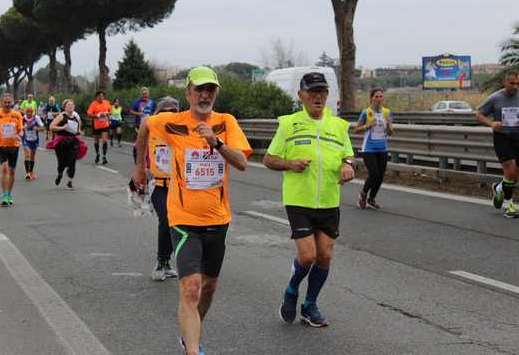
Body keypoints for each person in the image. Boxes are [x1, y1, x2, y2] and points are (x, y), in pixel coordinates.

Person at [133, 66, 251, 355]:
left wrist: (215, 141)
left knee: (208, 287)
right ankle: (193, 349)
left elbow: (242, 162)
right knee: (191, 287)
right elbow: (146, 125)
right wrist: (139, 168)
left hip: (218, 217)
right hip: (183, 218)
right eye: (199, 89)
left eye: (210, 89)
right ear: (188, 92)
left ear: (216, 94)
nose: (204, 94)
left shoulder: (226, 122)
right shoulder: (172, 122)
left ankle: (191, 330)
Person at [263, 72, 355, 328]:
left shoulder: (338, 126)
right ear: (300, 95)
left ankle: (310, 305)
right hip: (299, 200)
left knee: (324, 255)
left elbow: (348, 156)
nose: (318, 96)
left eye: (322, 92)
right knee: (307, 256)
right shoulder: (289, 124)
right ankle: (291, 290)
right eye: (312, 92)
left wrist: (348, 165)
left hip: (328, 199)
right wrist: (290, 163)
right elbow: (269, 159)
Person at [476, 69, 519, 218]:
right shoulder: (495, 98)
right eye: (511, 83)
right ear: (504, 82)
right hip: (502, 137)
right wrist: (492, 123)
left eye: (517, 83)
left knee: (515, 174)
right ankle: (509, 205)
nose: (515, 86)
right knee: (510, 170)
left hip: (517, 137)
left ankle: (499, 187)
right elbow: (478, 114)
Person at [148, 96, 180, 281]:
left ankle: (168, 263)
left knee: (178, 224)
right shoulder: (151, 129)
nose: (168, 115)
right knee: (167, 220)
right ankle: (161, 261)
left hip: (179, 186)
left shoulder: (184, 131)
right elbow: (140, 150)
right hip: (158, 186)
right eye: (164, 111)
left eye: (173, 112)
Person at [354, 88, 394, 209]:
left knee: (380, 176)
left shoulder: (387, 112)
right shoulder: (366, 112)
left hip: (383, 148)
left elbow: (391, 133)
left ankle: (371, 199)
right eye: (376, 96)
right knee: (374, 174)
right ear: (371, 98)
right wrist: (368, 125)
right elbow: (356, 129)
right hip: (369, 149)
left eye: (381, 96)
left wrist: (388, 125)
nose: (378, 99)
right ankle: (363, 195)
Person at [0, 93, 23, 206]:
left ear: (12, 102)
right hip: (0, 145)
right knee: (5, 169)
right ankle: (4, 195)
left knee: (12, 171)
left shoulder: (17, 115)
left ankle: (9, 194)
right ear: (1, 103)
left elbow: (21, 130)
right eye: (5, 102)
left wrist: (19, 135)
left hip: (14, 146)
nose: (7, 104)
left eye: (9, 102)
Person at [48, 99, 86, 190]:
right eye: (68, 105)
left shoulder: (76, 117)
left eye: (72, 105)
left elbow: (78, 129)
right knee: (62, 163)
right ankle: (60, 173)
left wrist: (80, 132)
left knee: (72, 161)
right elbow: (51, 127)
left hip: (73, 141)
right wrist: (62, 127)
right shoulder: (61, 116)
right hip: (62, 142)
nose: (70, 106)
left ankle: (70, 181)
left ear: (74, 107)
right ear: (64, 107)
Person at [130, 87, 156, 163]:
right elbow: (131, 111)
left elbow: (155, 110)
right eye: (143, 94)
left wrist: (153, 115)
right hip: (139, 125)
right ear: (141, 95)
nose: (145, 95)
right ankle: (136, 158)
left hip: (149, 125)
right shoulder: (137, 102)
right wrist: (139, 113)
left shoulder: (152, 102)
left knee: (149, 142)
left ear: (148, 94)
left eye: (146, 94)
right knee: (138, 142)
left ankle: (148, 159)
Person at [86, 91, 111, 164]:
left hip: (105, 125)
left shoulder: (107, 102)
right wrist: (97, 115)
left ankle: (104, 156)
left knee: (105, 140)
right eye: (99, 96)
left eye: (102, 96)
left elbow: (110, 111)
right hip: (96, 125)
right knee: (96, 141)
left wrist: (108, 114)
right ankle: (97, 154)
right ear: (96, 97)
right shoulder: (93, 104)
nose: (101, 97)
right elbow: (89, 114)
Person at [22, 106, 45, 180]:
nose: (29, 113)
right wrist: (22, 128)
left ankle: (31, 171)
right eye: (27, 112)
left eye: (30, 112)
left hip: (34, 140)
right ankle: (27, 173)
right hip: (26, 139)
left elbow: (43, 128)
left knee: (32, 156)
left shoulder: (36, 118)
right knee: (27, 154)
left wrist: (37, 128)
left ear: (33, 112)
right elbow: (18, 127)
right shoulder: (23, 118)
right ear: (25, 112)